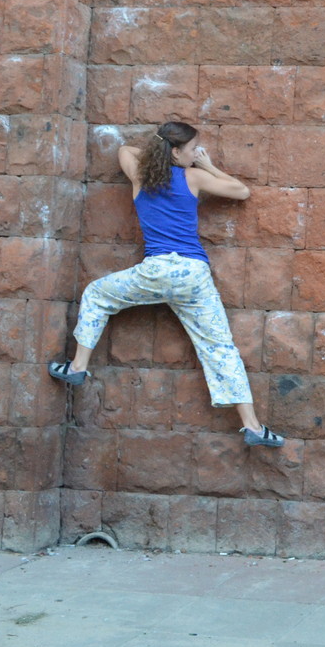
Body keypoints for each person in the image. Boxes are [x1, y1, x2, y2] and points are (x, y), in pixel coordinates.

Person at [49, 121, 284, 447]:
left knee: (97, 294)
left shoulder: (139, 176)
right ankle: (253, 426)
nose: (196, 153)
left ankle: (77, 366)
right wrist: (207, 165)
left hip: (157, 271)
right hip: (194, 274)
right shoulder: (193, 177)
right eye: (192, 149)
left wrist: (163, 154)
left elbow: (125, 150)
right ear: (175, 152)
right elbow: (241, 191)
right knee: (219, 348)